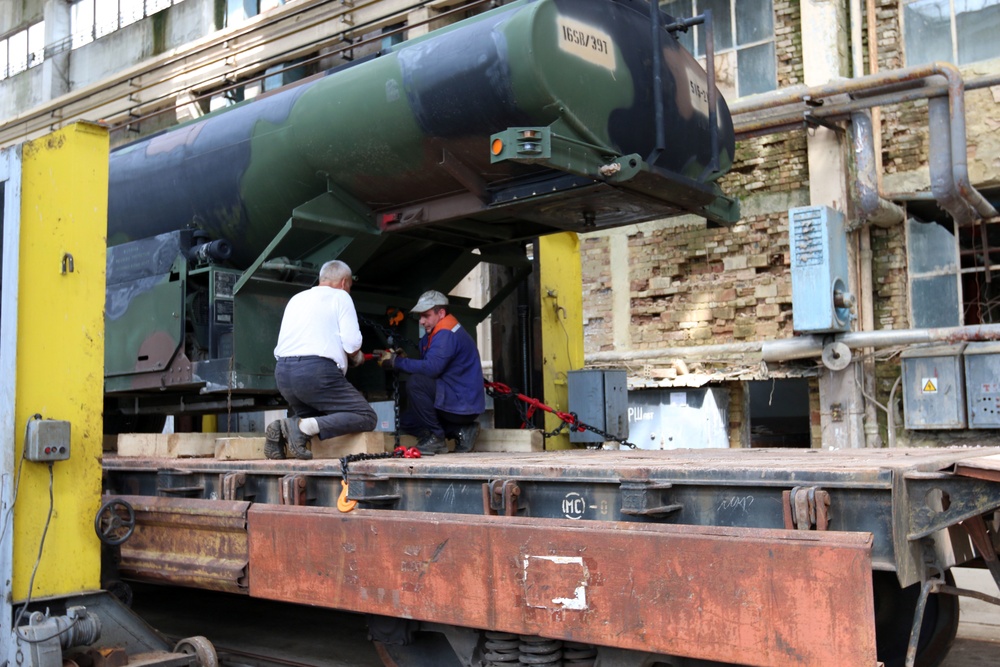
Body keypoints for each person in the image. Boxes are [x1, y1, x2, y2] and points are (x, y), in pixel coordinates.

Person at [265, 260, 377, 460]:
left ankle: (283, 429)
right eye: (349, 286)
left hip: (283, 374)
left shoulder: (297, 298)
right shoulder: (340, 296)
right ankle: (301, 426)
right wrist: (357, 356)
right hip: (315, 373)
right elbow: (351, 344)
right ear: (344, 282)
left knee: (320, 420)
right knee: (366, 416)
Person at [379, 290, 484, 455]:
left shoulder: (446, 333)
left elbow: (432, 368)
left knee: (416, 383)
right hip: (457, 400)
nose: (421, 321)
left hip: (461, 402)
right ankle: (461, 431)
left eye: (426, 316)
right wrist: (404, 359)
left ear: (441, 313)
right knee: (407, 421)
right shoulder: (440, 331)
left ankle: (436, 438)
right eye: (420, 316)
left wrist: (396, 362)